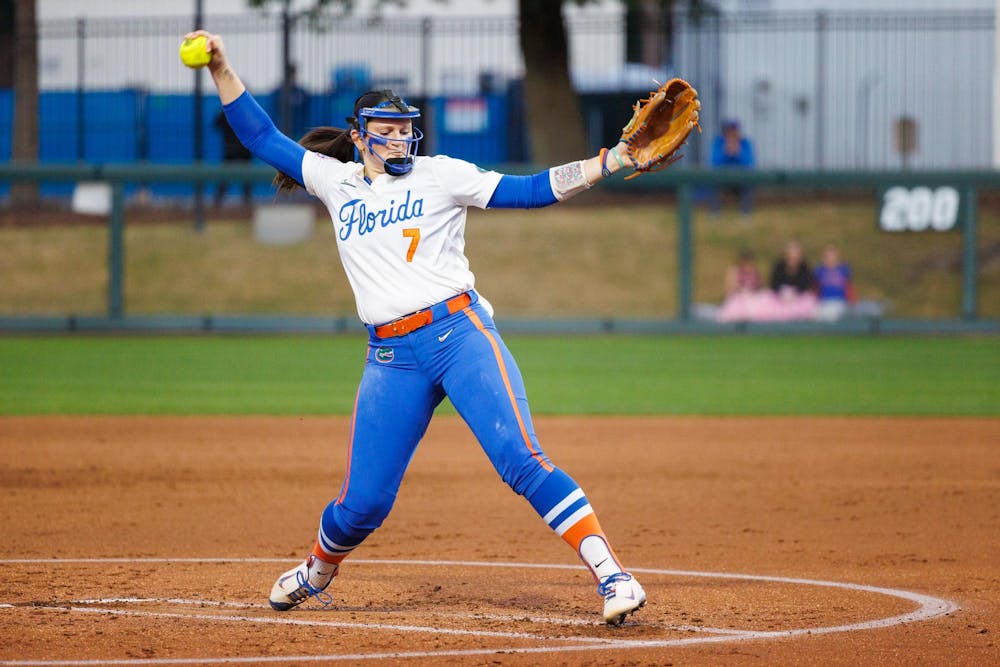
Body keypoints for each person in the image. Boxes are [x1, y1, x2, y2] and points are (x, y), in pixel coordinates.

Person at [186, 29, 647, 626]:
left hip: (459, 335)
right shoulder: (337, 180)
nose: (400, 135)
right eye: (387, 126)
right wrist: (221, 64)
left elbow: (529, 192)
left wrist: (608, 161)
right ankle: (316, 572)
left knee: (519, 456)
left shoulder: (440, 174)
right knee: (362, 505)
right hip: (391, 358)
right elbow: (258, 135)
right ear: (359, 136)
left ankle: (613, 576)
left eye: (406, 127)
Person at [708, 119, 755, 216]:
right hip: (722, 179)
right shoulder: (719, 142)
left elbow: (750, 164)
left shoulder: (745, 143)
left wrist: (738, 153)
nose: (732, 134)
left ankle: (746, 213)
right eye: (729, 132)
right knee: (713, 185)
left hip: (740, 179)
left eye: (734, 131)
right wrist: (725, 153)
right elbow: (713, 163)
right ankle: (715, 213)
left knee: (748, 185)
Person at [213, 109, 253, 207]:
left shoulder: (228, 111)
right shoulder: (246, 110)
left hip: (236, 149)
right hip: (239, 149)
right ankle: (246, 202)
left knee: (241, 179)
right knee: (231, 178)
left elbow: (216, 124)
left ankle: (246, 202)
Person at [813, 243, 855, 321]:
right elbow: (816, 288)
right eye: (827, 256)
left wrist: (851, 302)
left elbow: (848, 287)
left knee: (832, 316)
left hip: (840, 302)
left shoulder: (844, 269)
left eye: (832, 255)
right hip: (823, 302)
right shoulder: (819, 270)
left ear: (837, 256)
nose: (830, 258)